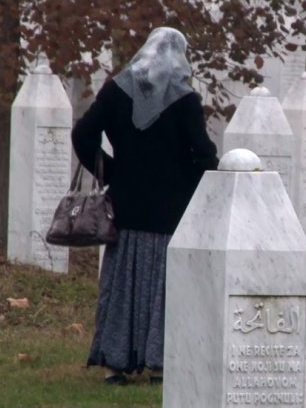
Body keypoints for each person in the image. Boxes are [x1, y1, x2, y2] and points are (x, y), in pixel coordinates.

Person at [71, 27, 219, 385]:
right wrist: (196, 184)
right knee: (162, 288)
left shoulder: (117, 90)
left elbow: (82, 134)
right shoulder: (185, 100)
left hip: (126, 207)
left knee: (122, 286)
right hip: (170, 213)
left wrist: (111, 171)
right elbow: (204, 154)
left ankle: (114, 366)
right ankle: (160, 364)